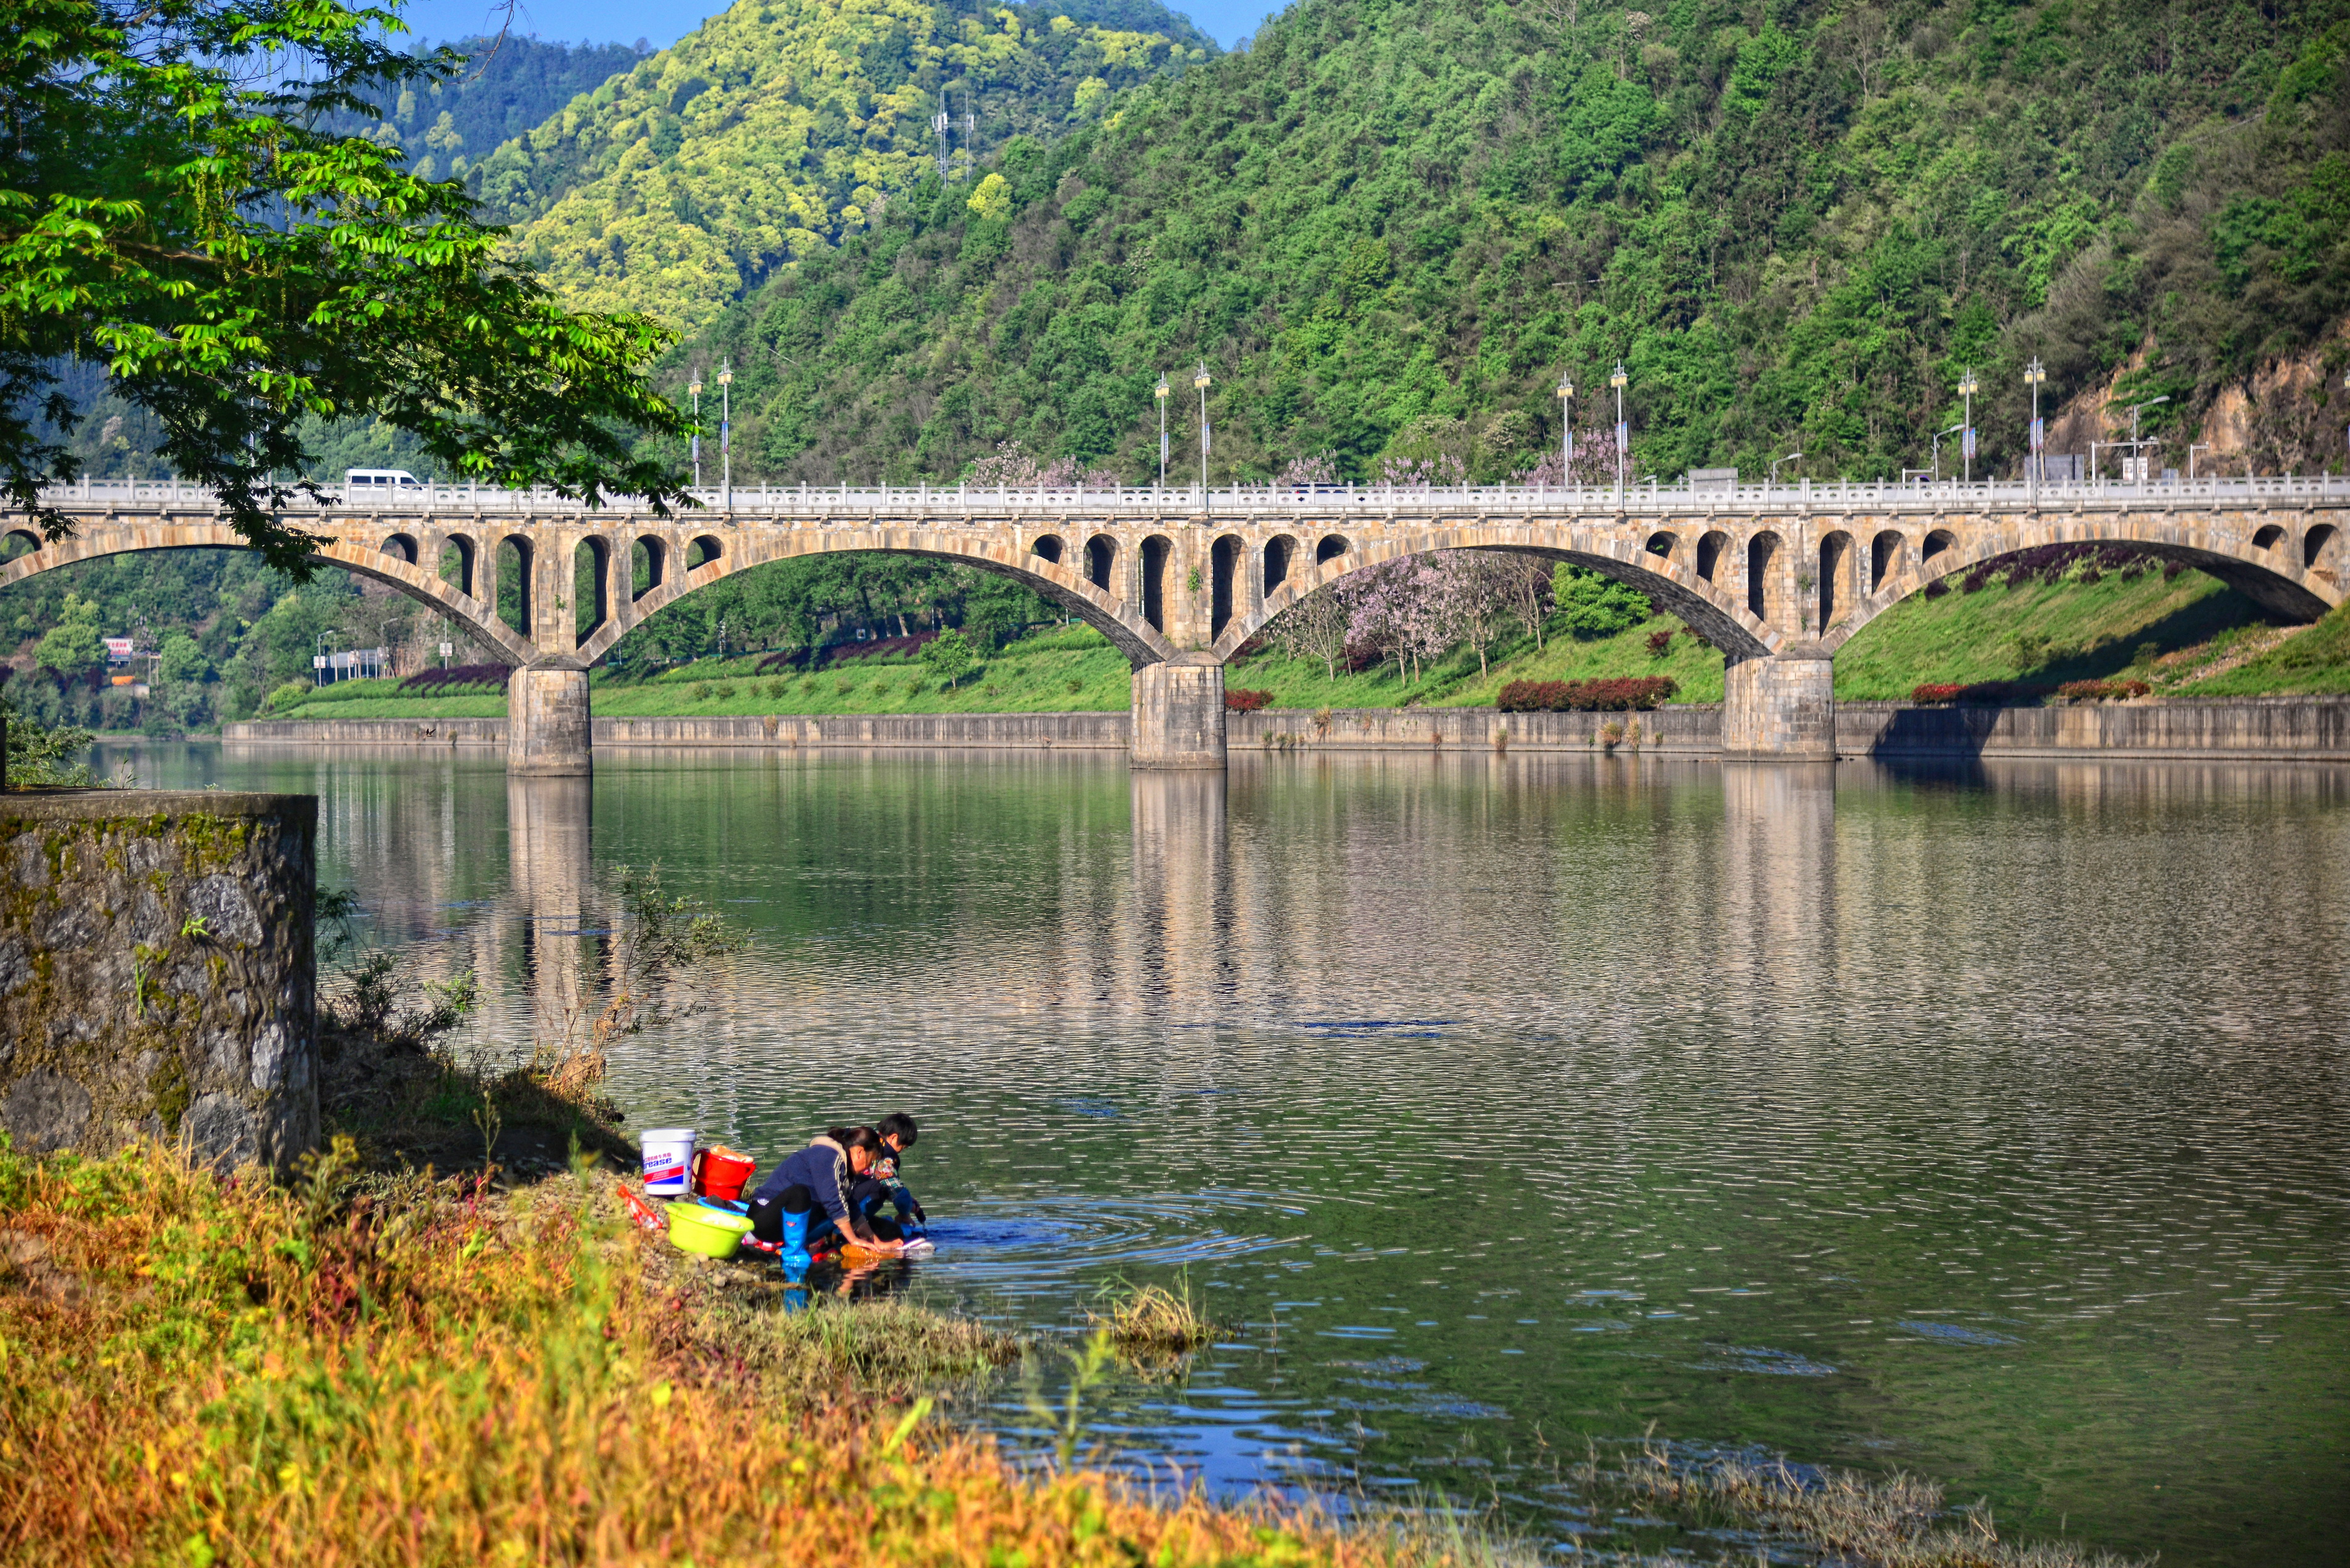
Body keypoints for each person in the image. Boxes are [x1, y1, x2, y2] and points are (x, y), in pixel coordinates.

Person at [747, 1125, 902, 1268]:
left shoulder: (844, 1169)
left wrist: (876, 1242)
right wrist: (853, 1240)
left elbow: (851, 1207)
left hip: (782, 1222)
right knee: (801, 1193)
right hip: (763, 1218)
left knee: (836, 1210)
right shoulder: (829, 1156)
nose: (868, 1168)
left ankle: (792, 1247)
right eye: (870, 1162)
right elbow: (832, 1200)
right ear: (860, 1152)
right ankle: (793, 1253)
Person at [848, 1112, 926, 1241]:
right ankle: (849, 1231)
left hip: (839, 1197)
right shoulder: (885, 1155)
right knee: (894, 1231)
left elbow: (866, 1182)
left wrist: (908, 1201)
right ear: (894, 1137)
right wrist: (904, 1213)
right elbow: (897, 1191)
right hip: (848, 1208)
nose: (901, 1151)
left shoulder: (865, 1138)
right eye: (903, 1147)